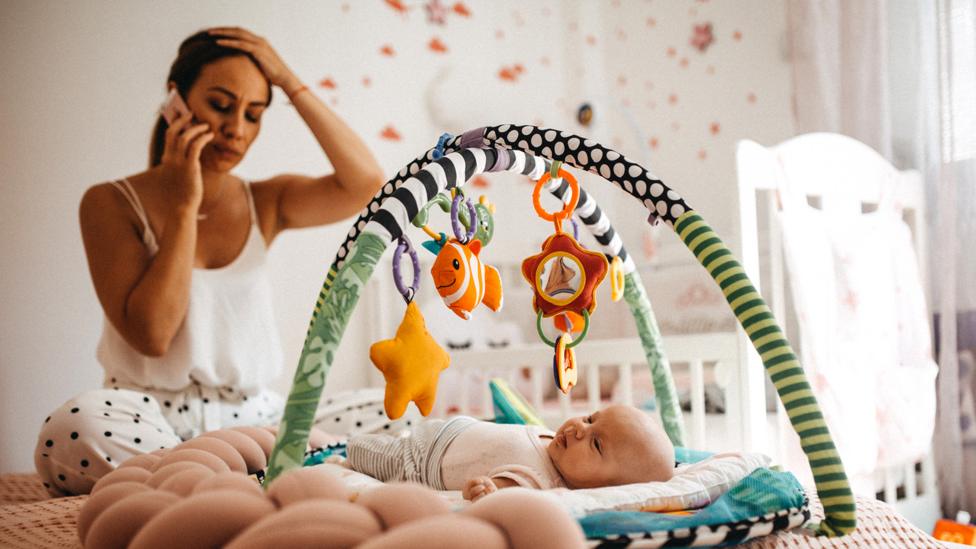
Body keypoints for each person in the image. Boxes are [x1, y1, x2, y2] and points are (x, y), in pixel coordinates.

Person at [34, 27, 400, 496]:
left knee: (391, 411)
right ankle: (274, 478)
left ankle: (216, 482)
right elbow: (152, 335)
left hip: (257, 421)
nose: (237, 129)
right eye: (221, 105)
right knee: (74, 427)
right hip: (152, 421)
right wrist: (184, 206)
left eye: (254, 114)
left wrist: (288, 82)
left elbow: (366, 183)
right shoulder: (110, 202)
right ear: (176, 99)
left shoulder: (264, 201)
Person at [345, 404, 676, 500]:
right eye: (590, 418)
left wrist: (489, 489)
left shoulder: (539, 481)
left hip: (417, 461)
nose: (579, 428)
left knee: (360, 450)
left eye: (596, 443)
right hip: (447, 430)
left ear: (606, 487)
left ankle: (334, 447)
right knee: (390, 432)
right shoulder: (558, 446)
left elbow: (502, 490)